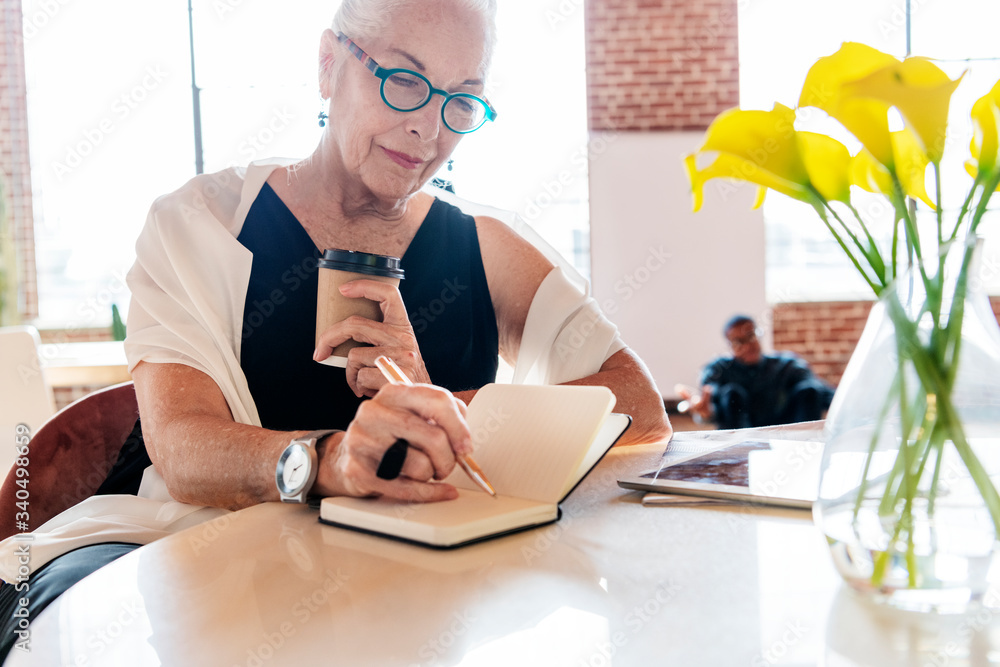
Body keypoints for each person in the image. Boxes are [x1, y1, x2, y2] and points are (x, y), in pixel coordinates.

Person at [0, 0, 670, 654]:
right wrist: (328, 459)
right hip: (181, 549)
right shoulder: (200, 222)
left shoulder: (486, 246)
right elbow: (180, 446)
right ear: (329, 64)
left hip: (418, 577)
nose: (429, 129)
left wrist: (440, 404)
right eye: (405, 80)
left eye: (461, 100)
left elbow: (640, 408)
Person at [677, 315, 833, 430]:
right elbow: (709, 402)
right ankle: (735, 459)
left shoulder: (786, 365)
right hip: (739, 445)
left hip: (787, 437)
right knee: (731, 393)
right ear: (729, 345)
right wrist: (705, 413)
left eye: (751, 336)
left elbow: (823, 393)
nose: (747, 345)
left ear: (759, 334)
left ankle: (806, 452)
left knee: (809, 390)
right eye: (738, 342)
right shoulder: (718, 370)